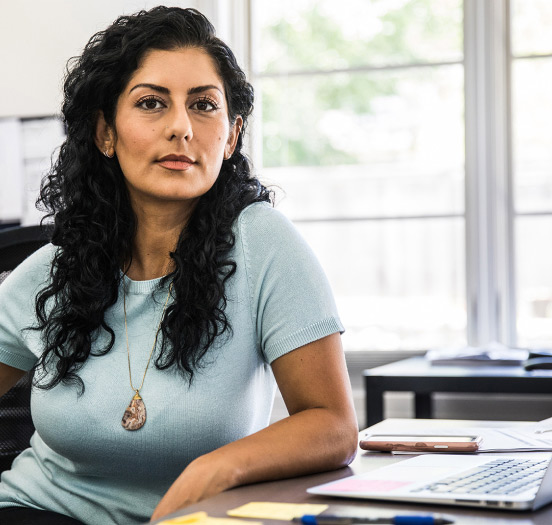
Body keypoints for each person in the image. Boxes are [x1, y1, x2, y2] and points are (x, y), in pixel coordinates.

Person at [0, 7, 358, 525]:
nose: (181, 128)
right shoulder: (56, 269)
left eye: (204, 106)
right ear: (106, 133)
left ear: (231, 136)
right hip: (36, 511)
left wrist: (217, 469)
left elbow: (332, 425)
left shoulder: (264, 246)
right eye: (151, 104)